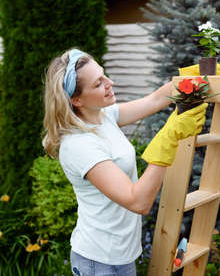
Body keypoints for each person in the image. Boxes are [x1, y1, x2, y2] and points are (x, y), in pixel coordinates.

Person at [42, 48, 207, 276]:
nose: (110, 82)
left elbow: (155, 100)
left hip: (121, 256)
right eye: (98, 83)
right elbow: (138, 202)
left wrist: (199, 76)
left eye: (104, 75)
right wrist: (168, 139)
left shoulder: (104, 116)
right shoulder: (79, 145)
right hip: (98, 262)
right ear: (76, 100)